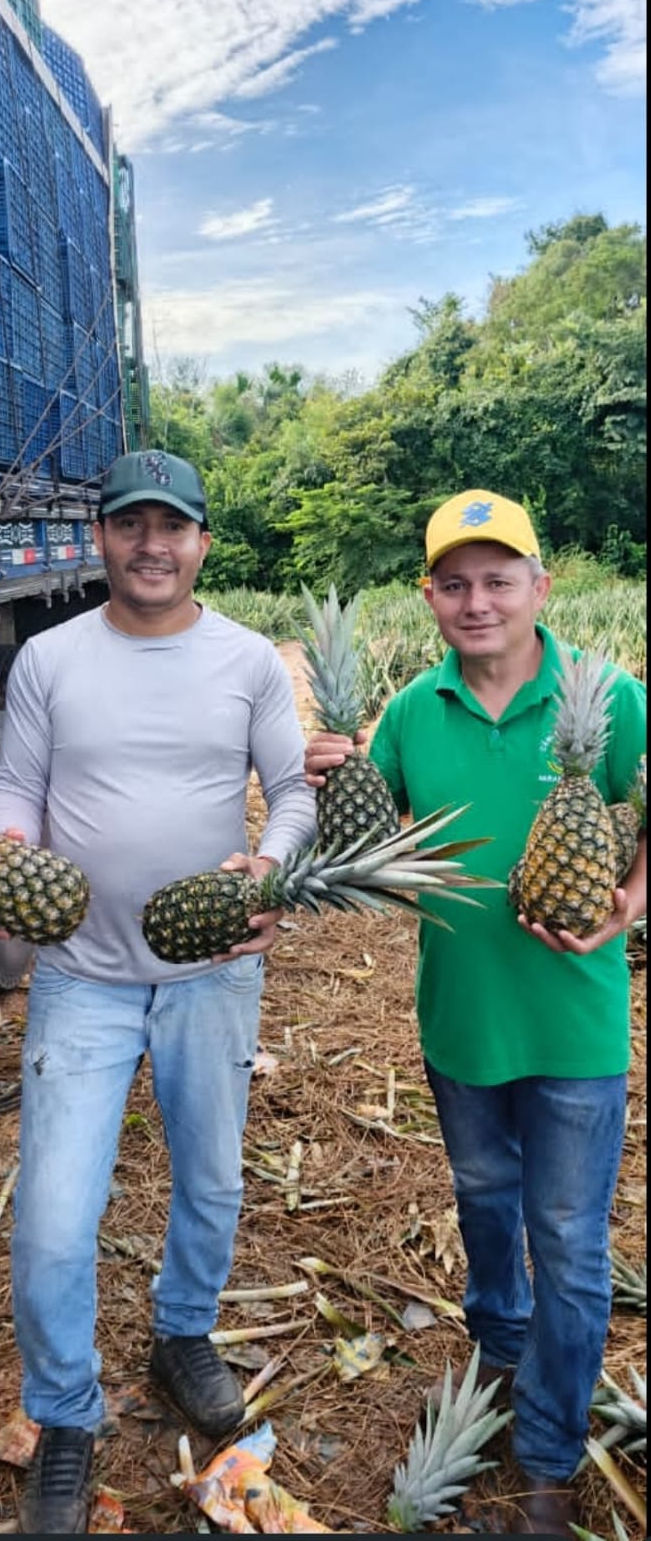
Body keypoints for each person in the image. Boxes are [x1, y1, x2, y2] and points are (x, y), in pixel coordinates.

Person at [0, 450, 316, 1535]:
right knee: (55, 1219)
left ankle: (180, 1333)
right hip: (80, 978)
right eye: (130, 524)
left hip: (212, 972)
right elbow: (17, 786)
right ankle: (64, 1417)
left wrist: (269, 866)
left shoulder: (246, 660)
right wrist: (3, 850)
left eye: (174, 526)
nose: (152, 544)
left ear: (203, 541)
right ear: (100, 537)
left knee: (209, 1177)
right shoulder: (52, 658)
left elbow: (289, 793)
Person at [305, 489, 646, 1538]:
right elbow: (362, 859)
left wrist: (628, 905)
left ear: (541, 587)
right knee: (488, 1209)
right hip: (460, 1023)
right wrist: (332, 783)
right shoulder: (412, 712)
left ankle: (546, 1451)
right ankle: (500, 1356)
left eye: (499, 579)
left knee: (573, 1246)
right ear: (431, 597)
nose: (478, 599)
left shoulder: (610, 696)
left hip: (578, 1029)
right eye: (455, 582)